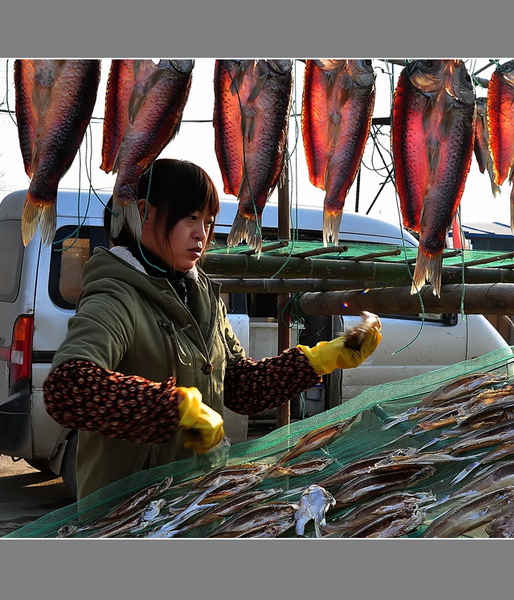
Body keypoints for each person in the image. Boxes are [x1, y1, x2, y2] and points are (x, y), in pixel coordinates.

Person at [43, 158, 381, 500]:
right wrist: (172, 408)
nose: (201, 234)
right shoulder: (116, 294)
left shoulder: (202, 294)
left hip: (193, 501)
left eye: (207, 221)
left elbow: (240, 386)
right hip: (128, 515)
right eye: (191, 218)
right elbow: (67, 388)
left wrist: (320, 359)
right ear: (143, 213)